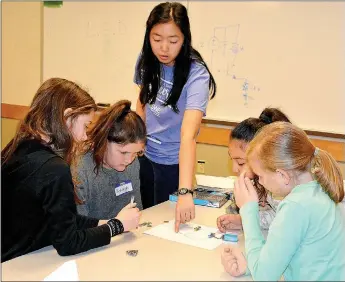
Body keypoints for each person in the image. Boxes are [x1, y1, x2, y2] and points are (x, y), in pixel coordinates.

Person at [1, 78, 141, 262]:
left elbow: (63, 218)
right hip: (21, 266)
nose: (84, 136)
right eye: (84, 126)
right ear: (67, 117)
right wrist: (117, 226)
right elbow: (68, 243)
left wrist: (104, 224)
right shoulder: (54, 169)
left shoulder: (19, 146)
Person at [222, 122, 345, 280]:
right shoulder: (320, 188)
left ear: (282, 175)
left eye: (260, 176)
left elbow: (263, 277)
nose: (260, 182)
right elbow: (300, 258)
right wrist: (252, 265)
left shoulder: (295, 206)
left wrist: (248, 211)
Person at [134, 2, 216, 232]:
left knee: (168, 228)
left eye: (173, 41)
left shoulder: (197, 74)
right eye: (156, 38)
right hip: (145, 158)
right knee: (142, 225)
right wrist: (136, 144)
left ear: (185, 38)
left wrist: (185, 191)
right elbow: (141, 102)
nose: (163, 48)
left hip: (174, 164)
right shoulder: (146, 59)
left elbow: (188, 135)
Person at [217, 108, 291, 231]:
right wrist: (242, 219)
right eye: (232, 160)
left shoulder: (280, 182)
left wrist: (247, 218)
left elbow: (284, 219)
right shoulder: (256, 180)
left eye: (240, 163)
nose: (234, 169)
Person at [76, 100, 146, 219]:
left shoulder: (132, 163)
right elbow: (80, 228)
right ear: (104, 141)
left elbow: (136, 209)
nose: (129, 160)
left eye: (136, 153)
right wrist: (116, 226)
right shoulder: (80, 169)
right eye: (123, 152)